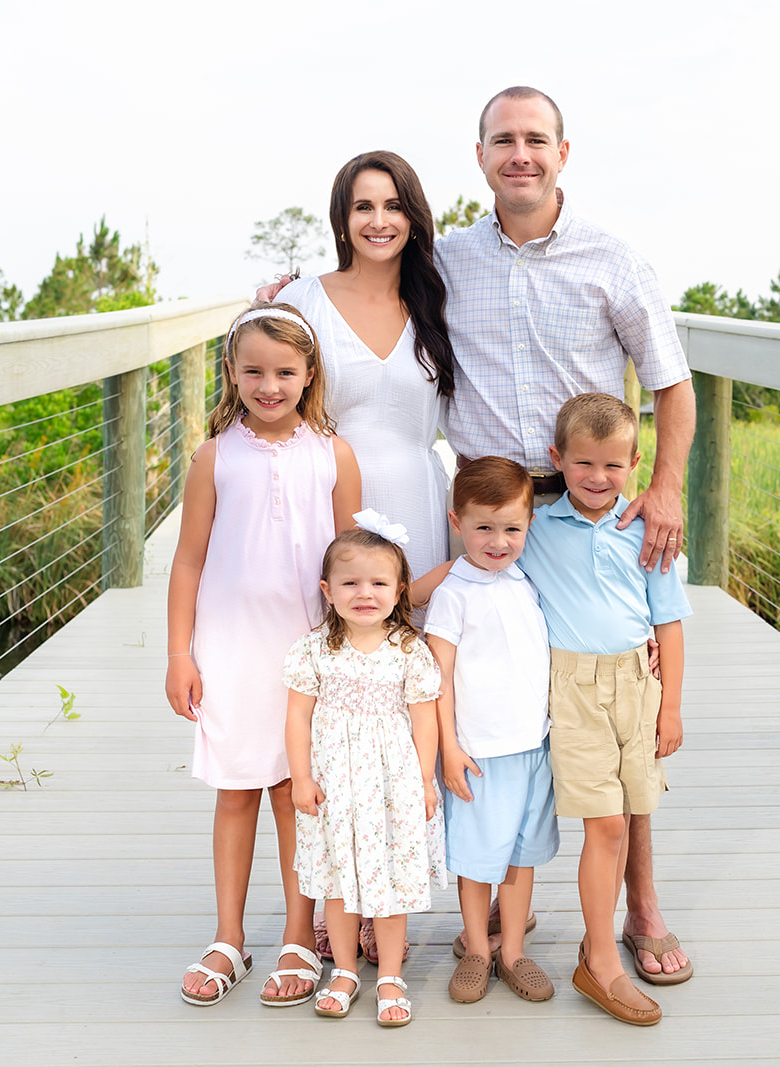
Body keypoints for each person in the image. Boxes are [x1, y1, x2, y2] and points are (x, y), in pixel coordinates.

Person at [437, 84, 696, 985]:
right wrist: (284, 298)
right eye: (502, 140)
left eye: (536, 140)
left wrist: (661, 487)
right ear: (480, 156)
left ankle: (642, 907)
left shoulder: (612, 261)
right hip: (496, 515)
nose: (520, 155)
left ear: (563, 152)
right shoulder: (444, 260)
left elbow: (672, 382)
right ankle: (498, 908)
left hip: (593, 502)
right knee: (493, 703)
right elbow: (364, 297)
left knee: (620, 690)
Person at [165, 303, 361, 1008]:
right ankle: (227, 936)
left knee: (295, 792)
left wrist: (351, 653)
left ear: (309, 374)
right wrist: (178, 653)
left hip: (306, 650)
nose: (269, 384)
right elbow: (187, 562)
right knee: (238, 787)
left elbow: (354, 559)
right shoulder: (216, 456)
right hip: (230, 649)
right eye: (254, 370)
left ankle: (299, 934)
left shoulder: (332, 454)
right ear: (232, 373)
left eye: (284, 371)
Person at [516, 394, 691, 1025]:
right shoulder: (534, 530)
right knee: (607, 826)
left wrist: (669, 708)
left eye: (613, 466)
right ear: (558, 459)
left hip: (637, 691)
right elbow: (474, 568)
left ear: (636, 462)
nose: (598, 478)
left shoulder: (648, 530)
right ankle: (602, 962)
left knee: (626, 814)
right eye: (584, 463)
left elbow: (667, 624)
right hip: (575, 691)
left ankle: (599, 945)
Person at [285, 520, 444, 1026]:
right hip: (334, 787)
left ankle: (392, 975)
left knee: (388, 881)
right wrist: (301, 778)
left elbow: (424, 718)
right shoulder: (314, 650)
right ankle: (346, 970)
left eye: (378, 583)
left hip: (390, 786)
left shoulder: (408, 650)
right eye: (351, 583)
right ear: (328, 591)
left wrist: (423, 781)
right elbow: (297, 718)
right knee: (338, 882)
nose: (365, 594)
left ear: (399, 590)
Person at [278, 150, 456, 586]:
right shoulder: (303, 301)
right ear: (342, 220)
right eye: (364, 207)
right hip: (325, 500)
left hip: (416, 499)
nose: (380, 221)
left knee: (413, 636)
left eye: (394, 206)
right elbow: (261, 382)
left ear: (413, 218)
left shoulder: (438, 303)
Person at [426, 457, 558, 1006]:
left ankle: (513, 952)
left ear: (529, 525)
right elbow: (439, 680)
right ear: (457, 523)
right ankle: (477, 948)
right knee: (479, 857)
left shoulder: (527, 581)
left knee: (521, 853)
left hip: (533, 744)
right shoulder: (453, 592)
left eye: (511, 528)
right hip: (478, 751)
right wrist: (448, 749)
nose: (498, 541)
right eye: (483, 527)